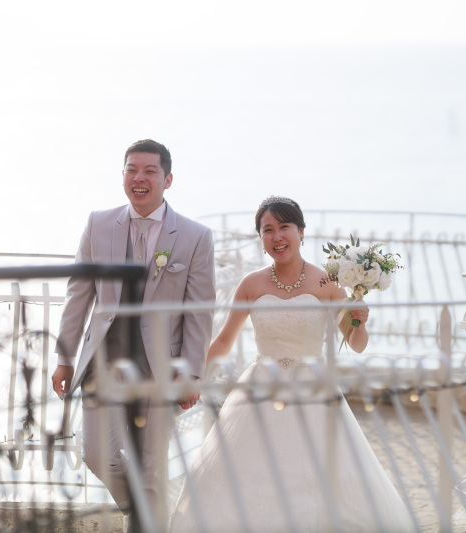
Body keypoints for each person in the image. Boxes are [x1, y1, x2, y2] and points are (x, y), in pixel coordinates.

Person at [169, 196, 414, 532]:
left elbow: (357, 344)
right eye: (268, 230)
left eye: (284, 227)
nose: (277, 236)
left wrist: (359, 319)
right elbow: (224, 341)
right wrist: (196, 378)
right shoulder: (251, 284)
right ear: (260, 237)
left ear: (301, 231)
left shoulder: (327, 283)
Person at [51, 139, 216, 529]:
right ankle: (139, 510)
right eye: (131, 170)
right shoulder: (98, 224)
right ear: (123, 175)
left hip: (161, 369)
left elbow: (199, 310)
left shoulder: (194, 236)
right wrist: (64, 356)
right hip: (103, 364)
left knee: (152, 469)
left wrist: (191, 373)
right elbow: (79, 294)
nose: (139, 178)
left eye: (149, 171)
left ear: (167, 179)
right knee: (96, 454)